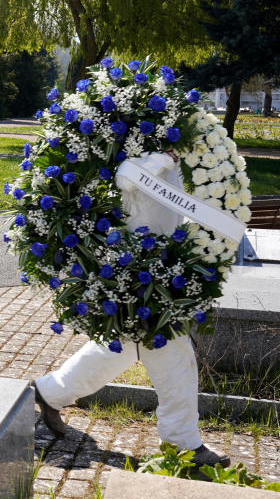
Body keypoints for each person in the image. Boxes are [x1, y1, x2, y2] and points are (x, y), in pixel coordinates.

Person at [31, 151, 231, 468]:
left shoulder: (168, 161)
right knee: (176, 359)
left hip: (158, 275)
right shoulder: (142, 159)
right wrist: (164, 159)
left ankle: (49, 392)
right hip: (139, 280)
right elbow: (125, 177)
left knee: (114, 352)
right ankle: (184, 444)